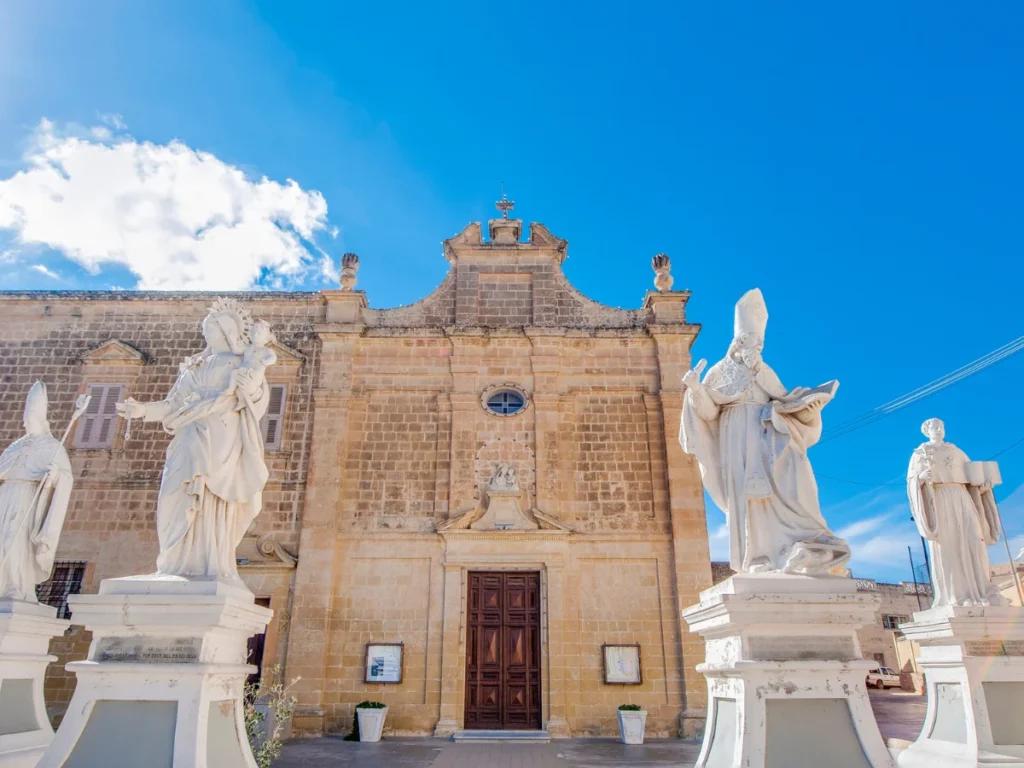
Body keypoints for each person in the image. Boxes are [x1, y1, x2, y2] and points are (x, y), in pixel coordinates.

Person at [680, 288, 849, 575]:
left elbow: (784, 400)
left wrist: (809, 403)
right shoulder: (719, 372)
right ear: (737, 344)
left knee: (795, 479)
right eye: (749, 344)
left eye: (758, 346)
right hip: (735, 438)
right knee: (746, 498)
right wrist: (695, 388)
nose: (754, 351)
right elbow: (708, 413)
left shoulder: (764, 371)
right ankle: (758, 555)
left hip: (767, 435)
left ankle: (801, 540)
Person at [116, 300, 275, 580]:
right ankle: (175, 560)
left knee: (212, 498)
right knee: (175, 495)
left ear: (226, 332)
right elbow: (172, 403)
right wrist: (142, 411)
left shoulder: (244, 361)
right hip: (188, 435)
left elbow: (255, 396)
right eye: (206, 330)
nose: (207, 336)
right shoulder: (194, 368)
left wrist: (253, 375)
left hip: (221, 439)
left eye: (212, 330)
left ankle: (209, 561)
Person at [908, 418, 1005, 607]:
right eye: (934, 427)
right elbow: (912, 482)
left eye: (941, 426)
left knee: (974, 540)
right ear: (926, 431)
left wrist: (984, 486)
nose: (939, 429)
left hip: (962, 498)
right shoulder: (921, 454)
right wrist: (920, 478)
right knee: (949, 543)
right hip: (940, 499)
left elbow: (973, 481)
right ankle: (958, 595)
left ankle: (981, 590)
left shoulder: (957, 452)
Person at [0, 382, 73, 601]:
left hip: (27, 497)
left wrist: (53, 477)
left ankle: (16, 585)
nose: (25, 424)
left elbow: (65, 477)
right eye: (25, 420)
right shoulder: (16, 445)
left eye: (30, 420)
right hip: (7, 495)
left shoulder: (52, 447)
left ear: (40, 421)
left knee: (15, 540)